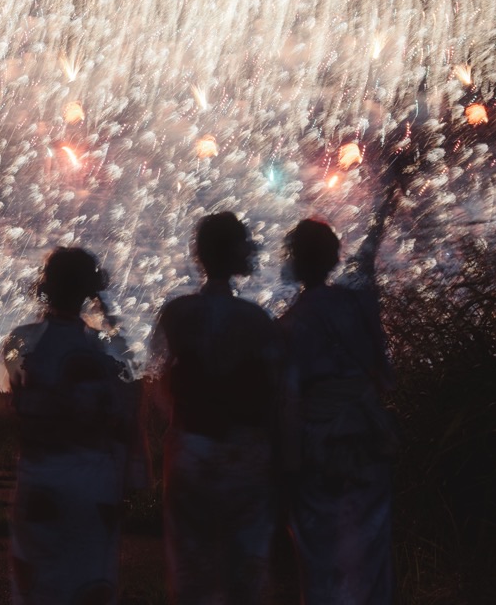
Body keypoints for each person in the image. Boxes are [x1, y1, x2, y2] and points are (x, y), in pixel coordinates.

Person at [150, 211, 284, 605]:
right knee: (244, 569)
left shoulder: (177, 313)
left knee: (191, 568)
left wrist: (178, 431)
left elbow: (157, 380)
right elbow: (275, 394)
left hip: (190, 450)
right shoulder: (257, 321)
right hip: (245, 455)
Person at [3, 246, 137, 605]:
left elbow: (18, 398)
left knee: (37, 586)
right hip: (95, 484)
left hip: (38, 478)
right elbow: (125, 413)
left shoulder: (20, 341)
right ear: (90, 290)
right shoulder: (109, 348)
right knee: (90, 582)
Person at [279, 218, 395, 605]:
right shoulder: (357, 302)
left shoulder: (291, 324)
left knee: (320, 553)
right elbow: (383, 371)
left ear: (295, 261)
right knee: (369, 545)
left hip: (320, 448)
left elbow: (290, 399)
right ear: (333, 257)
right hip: (366, 439)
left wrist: (287, 467)